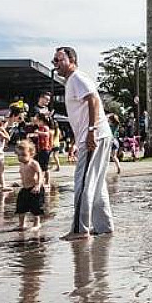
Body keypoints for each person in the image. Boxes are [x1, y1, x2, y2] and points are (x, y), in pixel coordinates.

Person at [53, 46, 114, 240]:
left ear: (71, 60)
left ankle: (80, 230)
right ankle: (104, 226)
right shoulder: (74, 80)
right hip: (98, 134)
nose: (55, 65)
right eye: (54, 61)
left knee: (83, 183)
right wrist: (76, 141)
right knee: (96, 183)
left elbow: (94, 101)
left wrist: (90, 132)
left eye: (59, 60)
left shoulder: (76, 78)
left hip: (95, 135)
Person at [14, 140, 44, 231]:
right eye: (19, 155)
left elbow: (40, 173)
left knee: (35, 207)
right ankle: (21, 224)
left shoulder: (33, 163)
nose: (21, 157)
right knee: (20, 206)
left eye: (23, 155)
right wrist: (18, 183)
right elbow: (24, 176)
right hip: (25, 188)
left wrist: (38, 185)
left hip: (35, 189)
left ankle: (37, 223)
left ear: (31, 154)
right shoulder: (22, 164)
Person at [28, 114, 54, 187]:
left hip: (45, 149)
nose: (36, 122)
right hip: (40, 149)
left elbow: (46, 134)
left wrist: (38, 133)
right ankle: (40, 181)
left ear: (41, 121)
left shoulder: (45, 127)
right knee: (40, 165)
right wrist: (32, 135)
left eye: (37, 120)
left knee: (44, 167)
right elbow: (39, 136)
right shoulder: (40, 127)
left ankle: (47, 182)